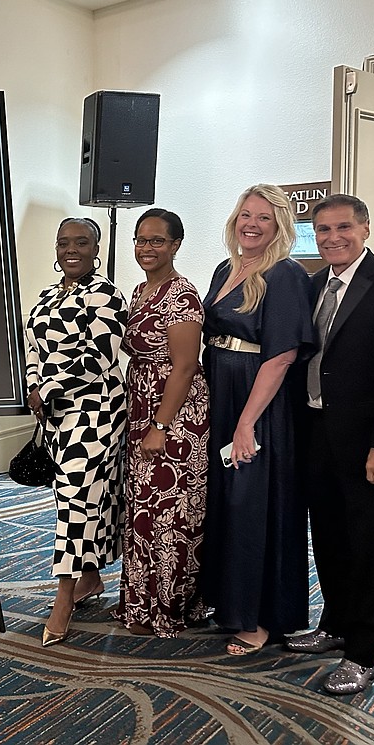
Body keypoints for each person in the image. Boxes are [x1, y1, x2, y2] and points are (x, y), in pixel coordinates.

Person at [285, 194, 374, 695]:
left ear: (366, 228)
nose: (332, 238)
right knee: (328, 536)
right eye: (323, 230)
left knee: (369, 545)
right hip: (317, 434)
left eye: (343, 227)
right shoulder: (309, 287)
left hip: (373, 444)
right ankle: (335, 625)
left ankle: (363, 652)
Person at [201, 184, 314, 656]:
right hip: (219, 389)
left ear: (279, 226)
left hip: (256, 398)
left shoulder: (284, 274)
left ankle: (260, 618)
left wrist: (247, 422)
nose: (251, 223)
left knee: (252, 504)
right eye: (245, 214)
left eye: (264, 218)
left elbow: (282, 355)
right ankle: (229, 605)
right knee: (224, 502)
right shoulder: (225, 268)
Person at [25, 217, 128, 647]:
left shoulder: (107, 294)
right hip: (54, 416)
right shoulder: (48, 295)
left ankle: (63, 599)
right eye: (64, 242)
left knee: (74, 500)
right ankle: (90, 578)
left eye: (81, 242)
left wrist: (46, 386)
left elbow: (99, 357)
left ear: (96, 247)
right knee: (81, 499)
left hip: (96, 410)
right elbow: (32, 344)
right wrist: (32, 381)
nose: (72, 249)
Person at [115, 208, 210, 638]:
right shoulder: (140, 290)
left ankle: (169, 608)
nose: (146, 248)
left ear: (175, 245)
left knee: (171, 514)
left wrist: (159, 425)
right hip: (142, 406)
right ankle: (141, 602)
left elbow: (186, 366)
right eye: (140, 240)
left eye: (156, 241)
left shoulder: (181, 295)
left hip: (175, 414)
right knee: (144, 510)